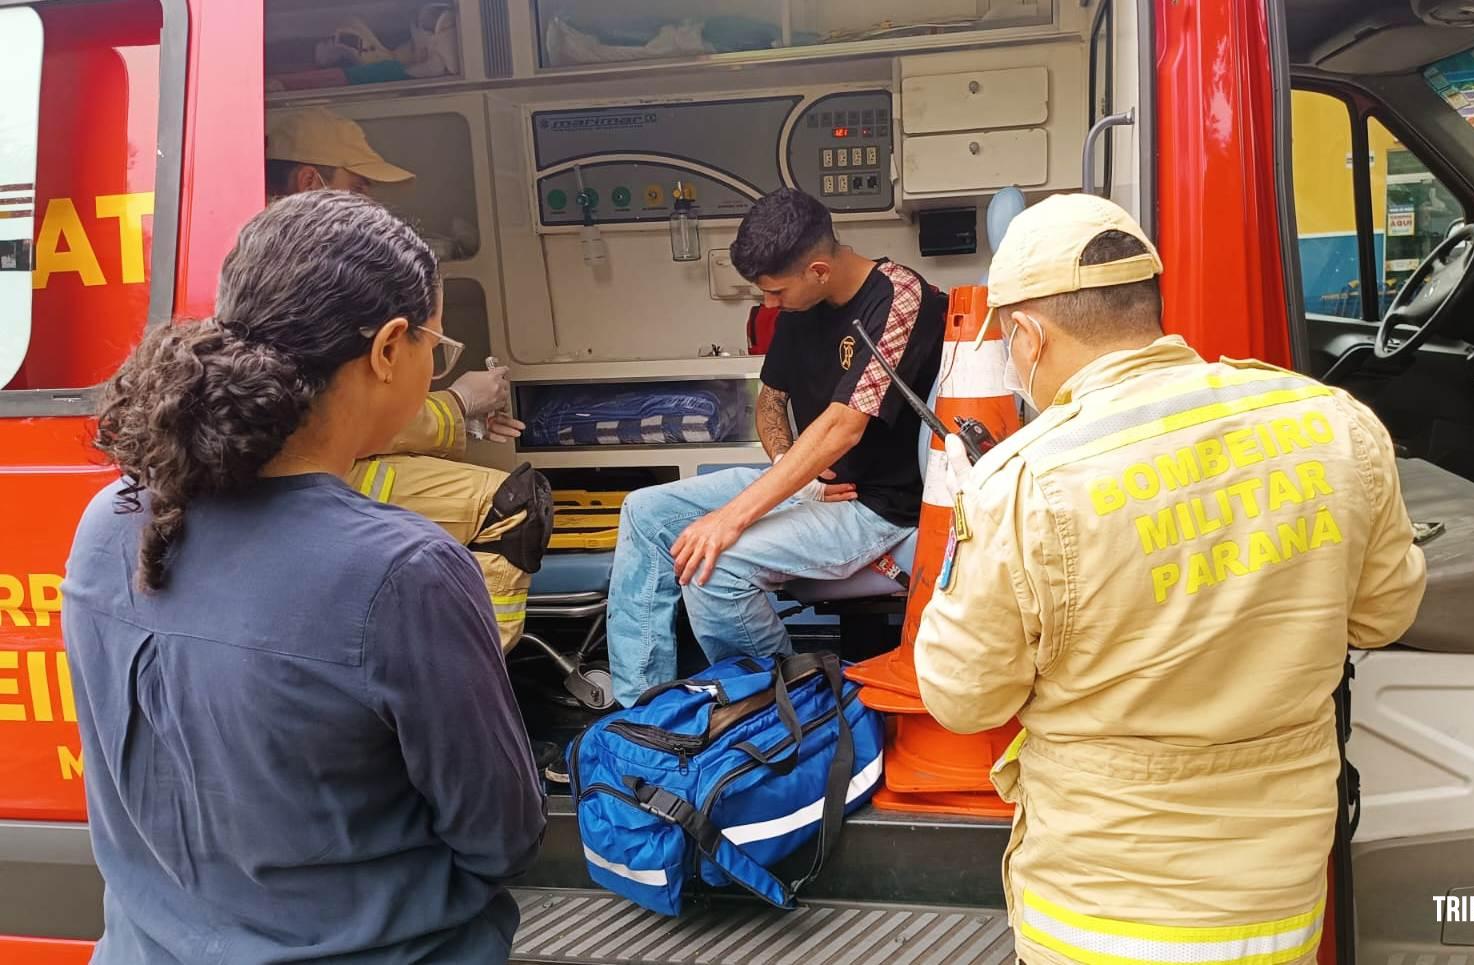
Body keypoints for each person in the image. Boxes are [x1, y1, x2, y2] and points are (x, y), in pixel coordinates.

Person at [913, 193, 1427, 965]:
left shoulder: (1021, 484)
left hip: (1097, 922)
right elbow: (1384, 614)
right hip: (1277, 908)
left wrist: (974, 519)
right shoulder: (1333, 423)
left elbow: (962, 697)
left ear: (1027, 335)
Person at [62, 191, 546, 964]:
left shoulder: (108, 524)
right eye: (435, 346)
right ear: (390, 348)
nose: (433, 363)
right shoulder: (405, 573)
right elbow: (502, 835)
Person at [604, 188, 950, 707]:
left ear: (817, 270)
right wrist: (792, 468)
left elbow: (843, 427)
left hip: (876, 506)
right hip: (811, 487)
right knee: (646, 511)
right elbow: (771, 401)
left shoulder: (901, 299)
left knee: (714, 565)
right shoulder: (800, 305)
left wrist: (731, 518)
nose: (769, 306)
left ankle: (783, 705)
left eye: (775, 293)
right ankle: (645, 707)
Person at [268, 106, 542, 651]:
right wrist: (459, 403)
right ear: (309, 182)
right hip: (309, 471)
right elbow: (336, 413)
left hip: (315, 463)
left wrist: (467, 419)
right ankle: (468, 672)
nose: (374, 204)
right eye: (361, 186)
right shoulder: (305, 278)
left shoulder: (274, 259)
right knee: (513, 501)